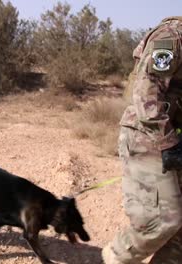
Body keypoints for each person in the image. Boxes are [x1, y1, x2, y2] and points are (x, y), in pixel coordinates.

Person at [102, 17, 182, 264]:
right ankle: (114, 258)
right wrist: (169, 144)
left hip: (173, 138)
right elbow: (146, 94)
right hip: (147, 136)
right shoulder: (171, 37)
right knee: (162, 220)